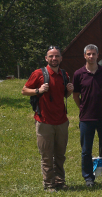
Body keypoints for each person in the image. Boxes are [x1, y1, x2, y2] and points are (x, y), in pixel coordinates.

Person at [21, 46, 74, 192]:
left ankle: (60, 181)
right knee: (46, 156)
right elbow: (24, 90)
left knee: (60, 155)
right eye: (51, 56)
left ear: (61, 58)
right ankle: (49, 184)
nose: (54, 59)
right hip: (44, 121)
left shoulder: (64, 74)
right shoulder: (38, 74)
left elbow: (64, 95)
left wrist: (69, 91)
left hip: (62, 121)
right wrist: (38, 90)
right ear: (46, 58)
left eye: (57, 56)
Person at [72, 44, 102, 187]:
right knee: (86, 150)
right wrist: (82, 107)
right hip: (86, 118)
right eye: (88, 54)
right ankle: (89, 178)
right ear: (84, 56)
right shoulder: (78, 74)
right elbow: (75, 95)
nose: (91, 56)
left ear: (97, 55)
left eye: (93, 54)